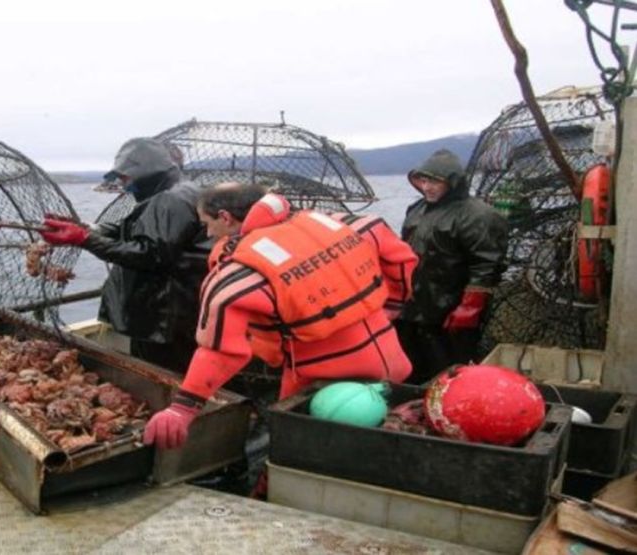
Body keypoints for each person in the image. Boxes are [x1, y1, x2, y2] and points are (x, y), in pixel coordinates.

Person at [143, 183, 414, 450]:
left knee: (304, 449)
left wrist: (183, 408)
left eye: (207, 223)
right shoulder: (341, 224)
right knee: (386, 439)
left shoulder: (239, 275)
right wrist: (393, 305)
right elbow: (402, 258)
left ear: (225, 217)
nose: (208, 232)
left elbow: (222, 352)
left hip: (325, 384)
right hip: (392, 360)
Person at [39, 138, 210, 373]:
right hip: (177, 309)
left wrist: (84, 239)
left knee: (161, 374)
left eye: (126, 177)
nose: (123, 183)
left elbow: (150, 254)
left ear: (148, 171)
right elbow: (135, 229)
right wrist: (87, 228)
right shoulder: (182, 190)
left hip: (165, 317)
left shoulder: (170, 200)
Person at [396, 149, 509, 385]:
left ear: (453, 182)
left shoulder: (479, 215)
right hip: (413, 306)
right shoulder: (417, 209)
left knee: (449, 372)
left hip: (449, 310)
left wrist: (469, 308)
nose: (427, 187)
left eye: (435, 181)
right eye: (423, 180)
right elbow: (403, 250)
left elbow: (487, 266)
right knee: (410, 368)